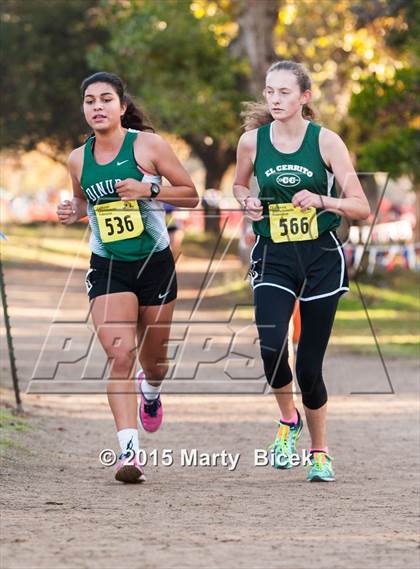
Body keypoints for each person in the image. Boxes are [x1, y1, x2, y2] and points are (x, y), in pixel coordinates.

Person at [57, 72, 198, 483]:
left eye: (105, 99)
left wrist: (148, 190)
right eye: (89, 100)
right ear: (83, 109)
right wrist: (73, 213)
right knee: (120, 355)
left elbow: (190, 193)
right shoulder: (77, 158)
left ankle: (150, 392)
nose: (97, 107)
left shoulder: (148, 146)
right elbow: (86, 204)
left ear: (121, 106)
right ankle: (129, 454)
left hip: (154, 264)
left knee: (154, 363)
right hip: (108, 267)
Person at [233, 60, 370, 482]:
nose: (275, 99)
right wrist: (246, 201)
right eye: (270, 91)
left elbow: (361, 207)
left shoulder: (326, 142)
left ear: (304, 98)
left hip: (320, 260)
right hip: (273, 254)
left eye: (284, 92)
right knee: (272, 347)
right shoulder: (252, 143)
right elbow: (240, 184)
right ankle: (288, 421)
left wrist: (323, 200)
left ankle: (320, 452)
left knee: (309, 366)